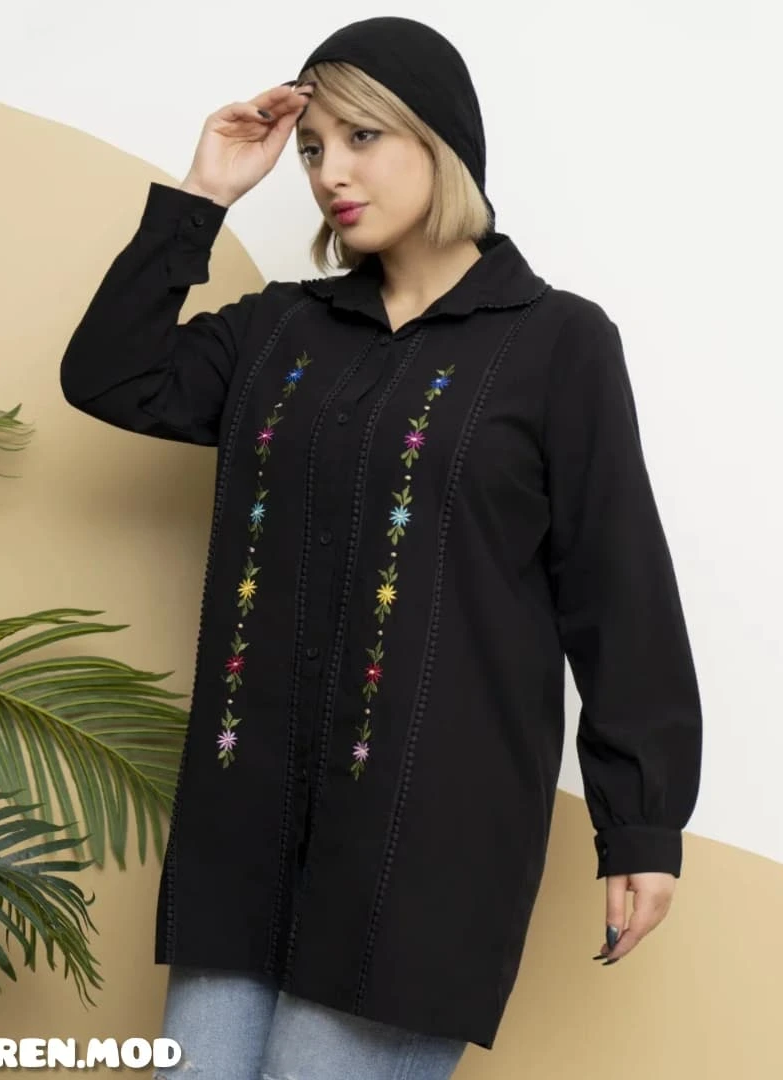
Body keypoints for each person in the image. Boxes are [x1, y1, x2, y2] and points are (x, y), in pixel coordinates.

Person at [59, 16, 703, 1080]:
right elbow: (110, 376)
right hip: (247, 831)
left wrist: (641, 826)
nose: (328, 174)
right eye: (314, 148)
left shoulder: (557, 343)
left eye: (362, 138)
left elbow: (617, 589)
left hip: (425, 845)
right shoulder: (278, 332)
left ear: (440, 141)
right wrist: (204, 194)